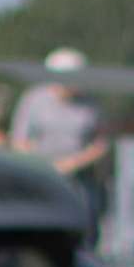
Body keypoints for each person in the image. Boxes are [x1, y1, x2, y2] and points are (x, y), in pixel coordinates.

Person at [8, 49, 108, 184]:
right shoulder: (33, 99)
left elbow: (100, 144)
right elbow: (19, 141)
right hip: (37, 176)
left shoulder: (91, 104)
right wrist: (41, 167)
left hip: (77, 180)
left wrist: (71, 164)